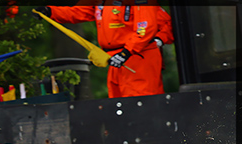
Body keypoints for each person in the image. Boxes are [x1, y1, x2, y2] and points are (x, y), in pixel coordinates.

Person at [35, 3, 167, 98]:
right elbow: (79, 12)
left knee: (141, 101)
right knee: (119, 104)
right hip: (116, 58)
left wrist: (126, 52)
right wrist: (51, 12)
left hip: (138, 58)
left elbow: (145, 29)